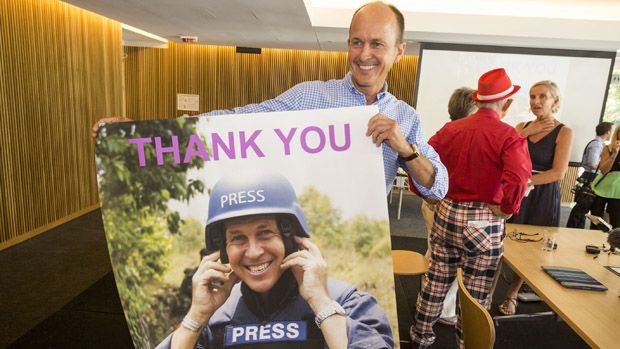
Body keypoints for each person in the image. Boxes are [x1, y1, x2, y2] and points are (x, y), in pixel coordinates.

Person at [91, 1, 448, 200]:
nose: (364, 54)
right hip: (295, 235)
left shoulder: (404, 116)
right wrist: (138, 131)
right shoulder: (311, 95)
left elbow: (438, 188)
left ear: (399, 52)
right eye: (357, 42)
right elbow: (240, 119)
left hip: (362, 249)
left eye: (377, 44)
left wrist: (406, 149)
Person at [156, 172, 393, 349]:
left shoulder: (348, 303)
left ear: (291, 239)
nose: (253, 251)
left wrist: (321, 303)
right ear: (224, 250)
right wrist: (196, 316)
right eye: (238, 238)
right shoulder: (215, 319)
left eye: (265, 233)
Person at [410, 68, 532, 349]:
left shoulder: (450, 129)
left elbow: (419, 162)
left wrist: (426, 195)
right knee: (476, 292)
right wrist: (507, 208)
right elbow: (519, 177)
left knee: (436, 281)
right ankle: (469, 343)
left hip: (447, 212)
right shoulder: (509, 135)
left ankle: (420, 338)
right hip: (483, 220)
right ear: (508, 103)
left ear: (479, 100)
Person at [499, 80, 573, 316]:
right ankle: (487, 291)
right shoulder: (523, 126)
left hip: (541, 193)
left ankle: (512, 293)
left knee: (530, 246)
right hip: (516, 190)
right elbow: (503, 154)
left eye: (542, 96)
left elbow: (558, 173)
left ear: (555, 101)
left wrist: (526, 182)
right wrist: (525, 134)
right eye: (532, 97)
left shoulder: (564, 131)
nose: (536, 102)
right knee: (502, 239)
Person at [419, 87, 477, 326]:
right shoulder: (468, 137)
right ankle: (444, 310)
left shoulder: (440, 134)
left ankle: (428, 304)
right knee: (453, 262)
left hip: (433, 204)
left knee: (434, 255)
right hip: (451, 209)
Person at [566, 122, 613, 228]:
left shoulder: (598, 144)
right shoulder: (597, 144)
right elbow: (593, 163)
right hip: (591, 177)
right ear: (608, 132)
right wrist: (607, 163)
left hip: (591, 177)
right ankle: (574, 231)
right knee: (583, 207)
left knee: (587, 208)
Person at [590, 124, 620, 229]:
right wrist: (614, 154)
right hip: (602, 188)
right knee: (596, 221)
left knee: (616, 223)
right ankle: (593, 242)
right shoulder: (608, 148)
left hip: (618, 192)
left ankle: (614, 244)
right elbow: (603, 169)